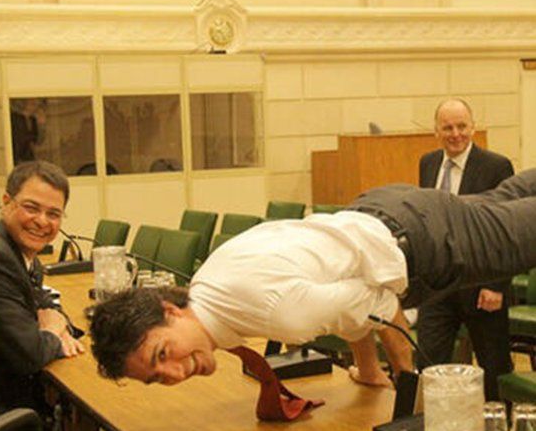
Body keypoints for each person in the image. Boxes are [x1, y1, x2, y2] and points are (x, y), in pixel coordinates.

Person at [90, 167, 536, 389]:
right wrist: (365, 368)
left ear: (170, 311)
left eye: (161, 353)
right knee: (513, 199)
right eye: (154, 377)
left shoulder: (272, 310)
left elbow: (373, 303)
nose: (171, 373)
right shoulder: (209, 286)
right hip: (388, 215)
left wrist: (404, 378)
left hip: (427, 242)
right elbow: (341, 292)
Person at [0, 161, 84, 431]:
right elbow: (29, 352)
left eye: (53, 213)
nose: (42, 221)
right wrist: (54, 335)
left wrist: (55, 322)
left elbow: (46, 303)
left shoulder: (20, 255)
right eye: (32, 207)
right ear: (7, 202)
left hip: (14, 402)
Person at [417, 98, 513, 399]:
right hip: (438, 286)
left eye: (461, 126)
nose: (455, 134)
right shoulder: (428, 163)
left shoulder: (496, 166)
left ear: (473, 127)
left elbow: (506, 229)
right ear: (436, 131)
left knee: (493, 367)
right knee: (428, 361)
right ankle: (433, 425)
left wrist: (496, 285)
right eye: (447, 127)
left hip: (481, 286)